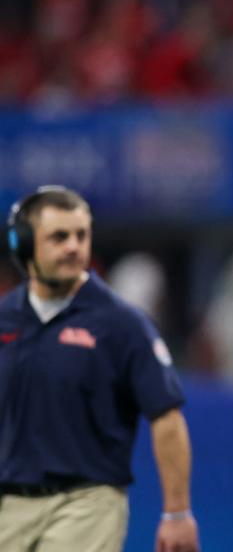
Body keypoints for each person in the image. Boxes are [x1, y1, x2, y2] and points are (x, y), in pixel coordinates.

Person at [0, 187, 199, 552]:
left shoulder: (122, 324)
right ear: (24, 244)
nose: (75, 247)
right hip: (9, 504)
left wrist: (177, 512)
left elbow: (166, 417)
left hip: (87, 501)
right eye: (59, 237)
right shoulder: (5, 317)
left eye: (82, 235)